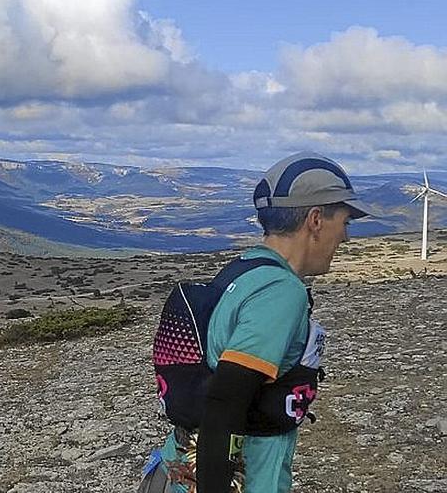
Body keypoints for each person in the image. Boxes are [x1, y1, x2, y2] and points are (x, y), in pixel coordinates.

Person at [141, 152, 373, 493]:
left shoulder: (246, 268)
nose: (346, 237)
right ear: (315, 220)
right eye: (345, 221)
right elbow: (227, 399)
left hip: (178, 468)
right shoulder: (280, 292)